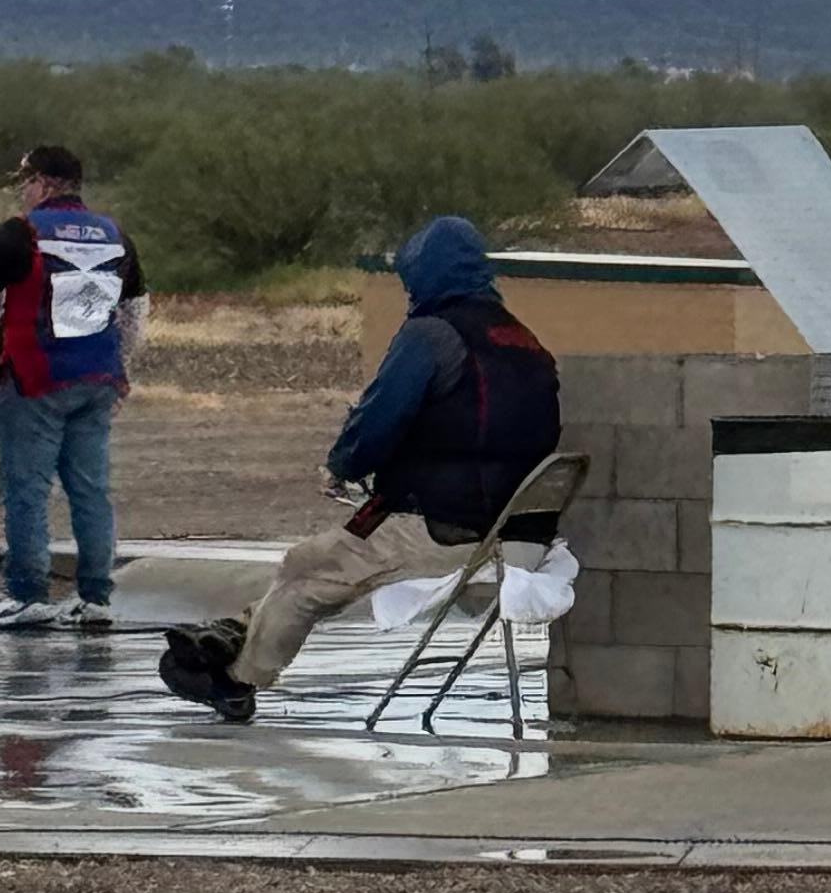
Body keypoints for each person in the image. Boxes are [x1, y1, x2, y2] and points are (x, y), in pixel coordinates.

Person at [157, 218, 559, 725]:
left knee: (309, 571)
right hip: (520, 531)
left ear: (425, 272)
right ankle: (241, 627)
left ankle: (237, 680)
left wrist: (343, 465)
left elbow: (377, 421)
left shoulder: (432, 335)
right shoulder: (524, 341)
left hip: (445, 528)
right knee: (315, 563)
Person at [0, 143, 149, 630]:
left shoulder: (20, 233)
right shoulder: (115, 234)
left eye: (25, 182)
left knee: (26, 489)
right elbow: (135, 310)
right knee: (90, 490)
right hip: (98, 380)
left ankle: (28, 594)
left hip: (34, 379)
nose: (23, 192)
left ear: (42, 183)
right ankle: (95, 598)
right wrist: (117, 363)